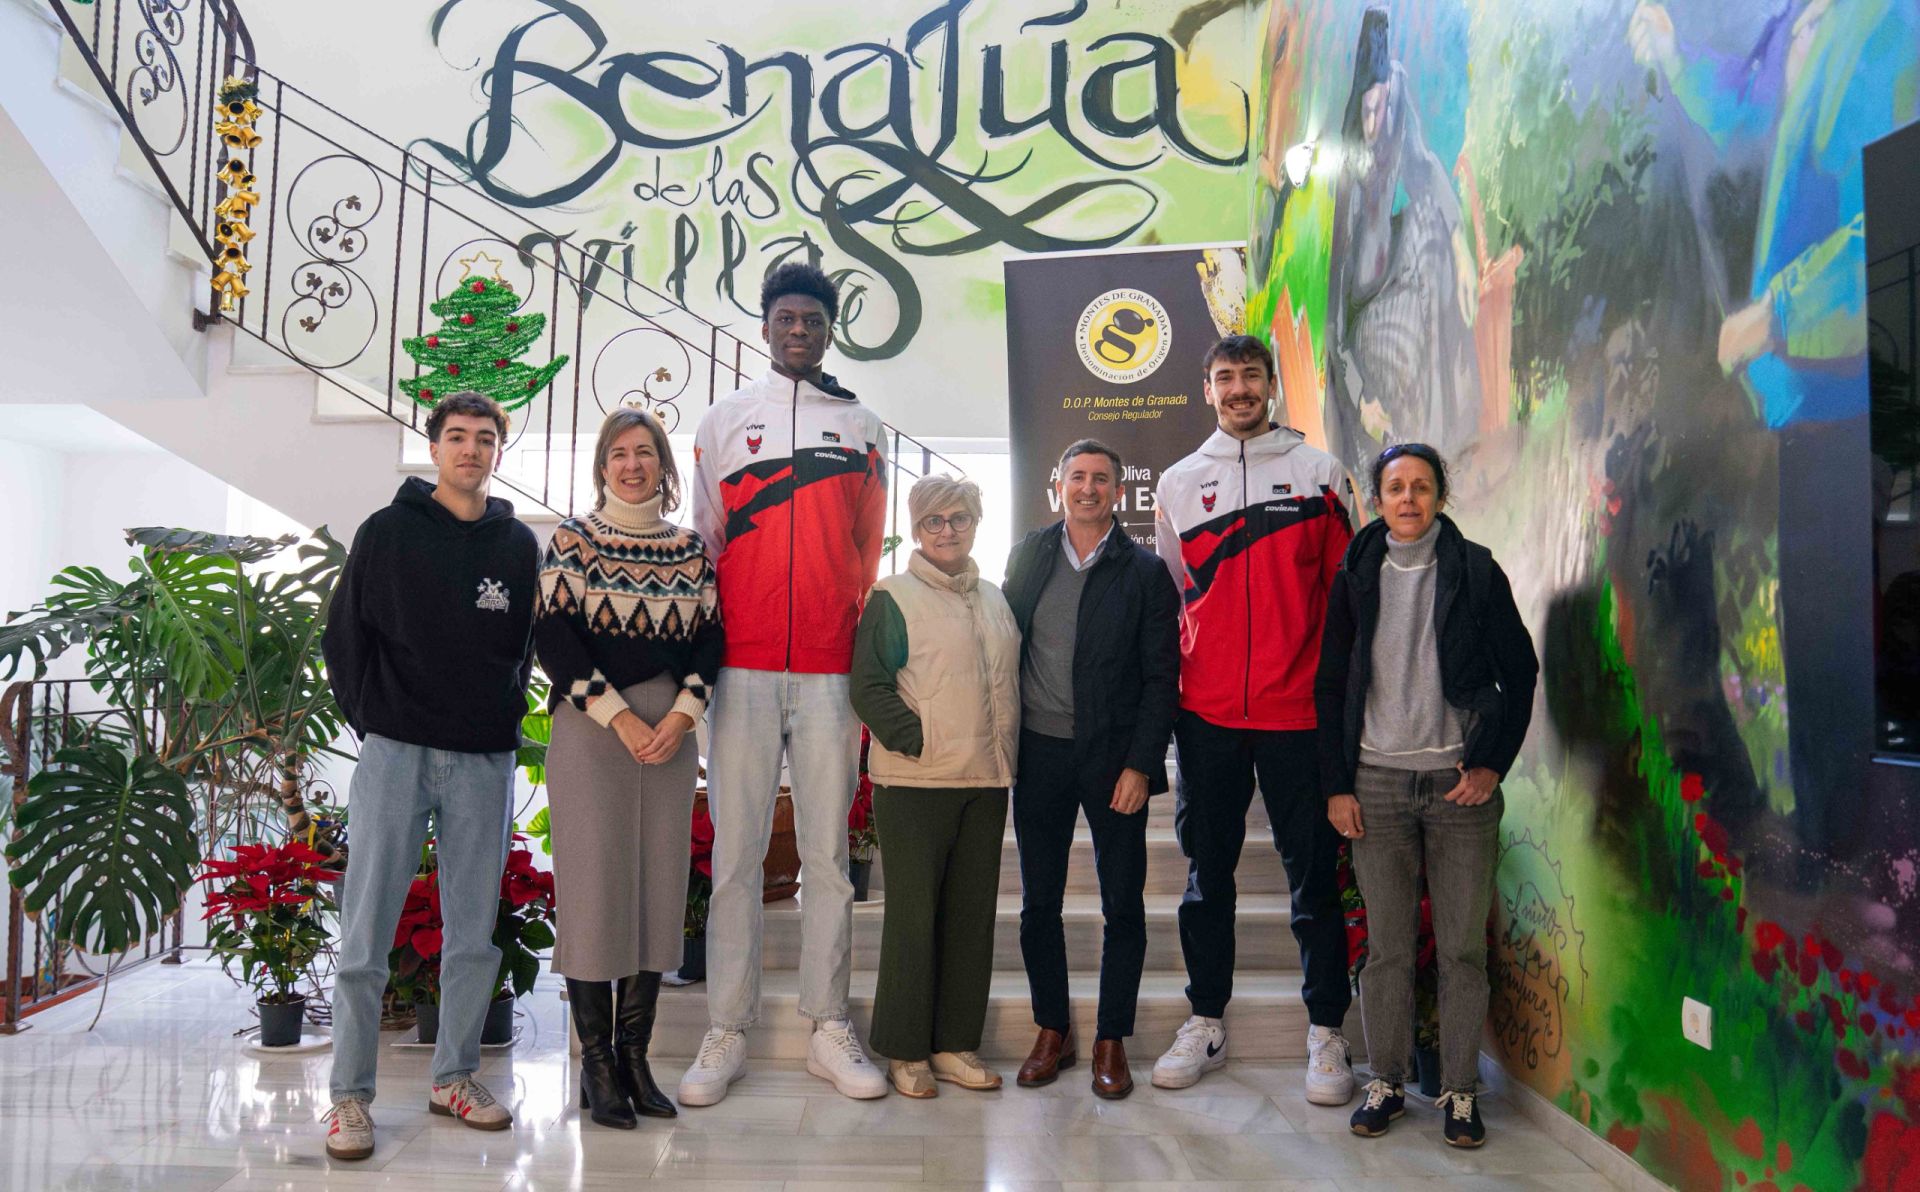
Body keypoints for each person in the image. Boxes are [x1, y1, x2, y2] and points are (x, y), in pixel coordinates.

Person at [678, 262, 890, 1106]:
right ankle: (726, 1026)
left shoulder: (864, 425)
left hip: (833, 670)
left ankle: (827, 1025)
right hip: (745, 665)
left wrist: (839, 617)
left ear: (830, 330)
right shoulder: (726, 422)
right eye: (785, 318)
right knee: (735, 856)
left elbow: (868, 549)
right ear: (764, 328)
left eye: (813, 319)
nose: (798, 330)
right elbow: (707, 538)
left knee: (829, 857)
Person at [320, 392, 539, 1160]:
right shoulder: (385, 533)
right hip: (396, 754)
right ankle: (349, 1098)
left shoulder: (517, 546)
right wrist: (375, 723)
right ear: (434, 448)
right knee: (366, 932)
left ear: (497, 453)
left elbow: (523, 650)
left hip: (482, 757)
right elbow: (343, 639)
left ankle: (455, 1076)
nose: (471, 450)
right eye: (457, 437)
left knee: (473, 934)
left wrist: (501, 717)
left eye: (485, 439)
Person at [1149, 335, 1357, 1101]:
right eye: (1226, 377)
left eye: (1252, 375)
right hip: (1206, 716)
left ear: (1271, 384)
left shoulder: (1320, 475)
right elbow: (1178, 593)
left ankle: (1325, 1032)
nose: (1240, 388)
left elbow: (1346, 602)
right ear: (1206, 388)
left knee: (1313, 881)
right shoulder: (1178, 483)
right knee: (1208, 879)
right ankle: (1206, 1020)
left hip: (1299, 714)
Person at [1317, 443, 1537, 1147]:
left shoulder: (1474, 570)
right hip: (1374, 785)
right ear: (1376, 499)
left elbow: (1521, 672)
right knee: (1385, 950)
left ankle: (1459, 1091)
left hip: (1457, 789)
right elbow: (1329, 684)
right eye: (1394, 487)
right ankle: (1383, 1081)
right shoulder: (1354, 572)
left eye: (1421, 487)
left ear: (1440, 496)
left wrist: (1493, 764)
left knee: (1461, 951)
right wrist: (1336, 784)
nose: (1407, 499)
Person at [534, 407, 721, 1127]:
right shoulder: (573, 543)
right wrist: (620, 717)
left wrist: (679, 719)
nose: (633, 464)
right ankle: (598, 1067)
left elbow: (710, 642)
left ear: (664, 467)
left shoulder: (690, 550)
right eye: (620, 453)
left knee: (656, 887)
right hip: (590, 732)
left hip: (670, 739)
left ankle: (636, 1057)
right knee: (593, 887)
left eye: (646, 452)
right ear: (602, 465)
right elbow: (556, 638)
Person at [1003, 439, 1180, 1100]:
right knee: (1037, 904)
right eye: (1076, 476)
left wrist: (1142, 765)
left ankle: (1111, 1038)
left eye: (1100, 479)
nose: (1087, 488)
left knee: (1121, 903)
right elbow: (1002, 642)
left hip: (1113, 761)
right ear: (1058, 485)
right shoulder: (1028, 555)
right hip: (1038, 753)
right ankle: (1054, 1029)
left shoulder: (1143, 572)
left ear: (1117, 490)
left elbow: (1163, 679)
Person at [850, 475, 1020, 1098]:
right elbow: (868, 686)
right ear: (917, 529)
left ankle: (954, 1044)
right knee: (914, 919)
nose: (946, 530)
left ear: (976, 522)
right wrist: (920, 741)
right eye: (933, 521)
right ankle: (904, 1050)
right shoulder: (892, 596)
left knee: (971, 919)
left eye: (959, 518)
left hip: (987, 780)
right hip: (916, 784)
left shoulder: (997, 599)